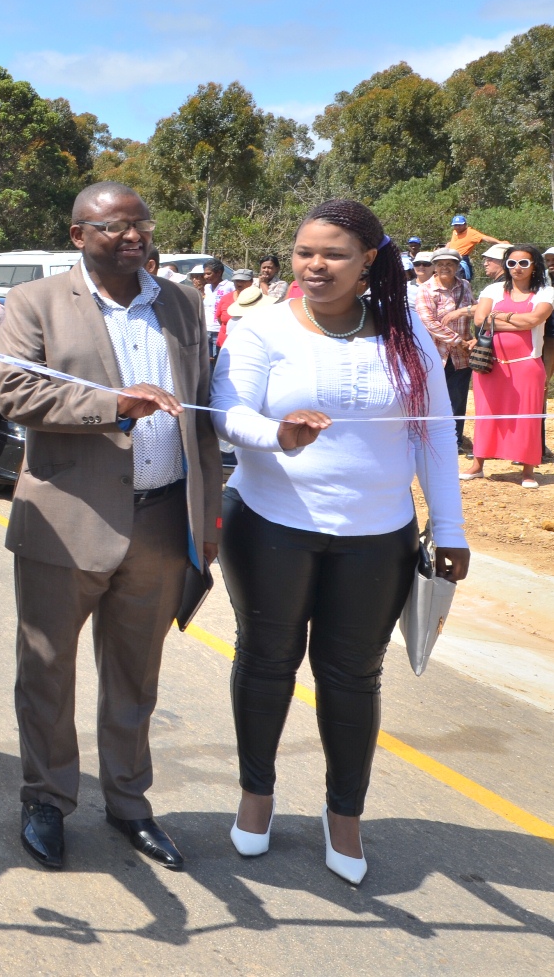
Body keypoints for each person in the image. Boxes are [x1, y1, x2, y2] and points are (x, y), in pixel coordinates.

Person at [212, 199, 469, 885]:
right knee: (267, 660)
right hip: (269, 525)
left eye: (333, 254)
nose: (314, 265)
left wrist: (450, 528)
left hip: (376, 536)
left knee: (352, 675)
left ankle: (344, 813)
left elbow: (435, 434)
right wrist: (277, 433)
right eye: (304, 252)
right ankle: (256, 795)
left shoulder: (408, 332)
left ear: (370, 263)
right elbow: (229, 411)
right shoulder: (260, 326)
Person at [0, 181, 219, 873]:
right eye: (115, 227)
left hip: (159, 519)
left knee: (135, 676)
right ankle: (48, 798)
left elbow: (203, 403)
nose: (133, 236)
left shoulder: (182, 302)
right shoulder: (32, 303)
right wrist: (113, 406)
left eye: (141, 224)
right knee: (47, 667)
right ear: (77, 235)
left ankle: (128, 802)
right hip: (67, 521)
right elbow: (16, 391)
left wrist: (206, 516)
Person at [467, 244, 553, 487]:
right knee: (486, 413)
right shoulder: (493, 289)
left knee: (528, 416)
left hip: (527, 364)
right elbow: (480, 320)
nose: (517, 268)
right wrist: (516, 321)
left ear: (534, 265)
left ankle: (528, 471)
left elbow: (535, 320)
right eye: (512, 263)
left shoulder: (546, 292)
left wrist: (498, 317)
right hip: (490, 364)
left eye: (523, 263)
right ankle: (478, 465)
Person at [417, 250, 475, 456]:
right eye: (440, 264)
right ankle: (431, 441)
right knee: (432, 399)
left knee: (458, 400)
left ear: (458, 266)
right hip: (435, 355)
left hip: (462, 356)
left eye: (450, 263)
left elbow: (476, 310)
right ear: (434, 266)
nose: (445, 268)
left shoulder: (465, 286)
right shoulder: (425, 290)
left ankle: (455, 441)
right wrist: (457, 341)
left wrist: (464, 313)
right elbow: (428, 322)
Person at [213, 267, 256, 347]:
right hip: (224, 344)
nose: (239, 283)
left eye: (243, 281)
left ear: (251, 282)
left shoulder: (258, 299)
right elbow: (220, 318)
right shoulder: (225, 298)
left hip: (247, 344)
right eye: (236, 281)